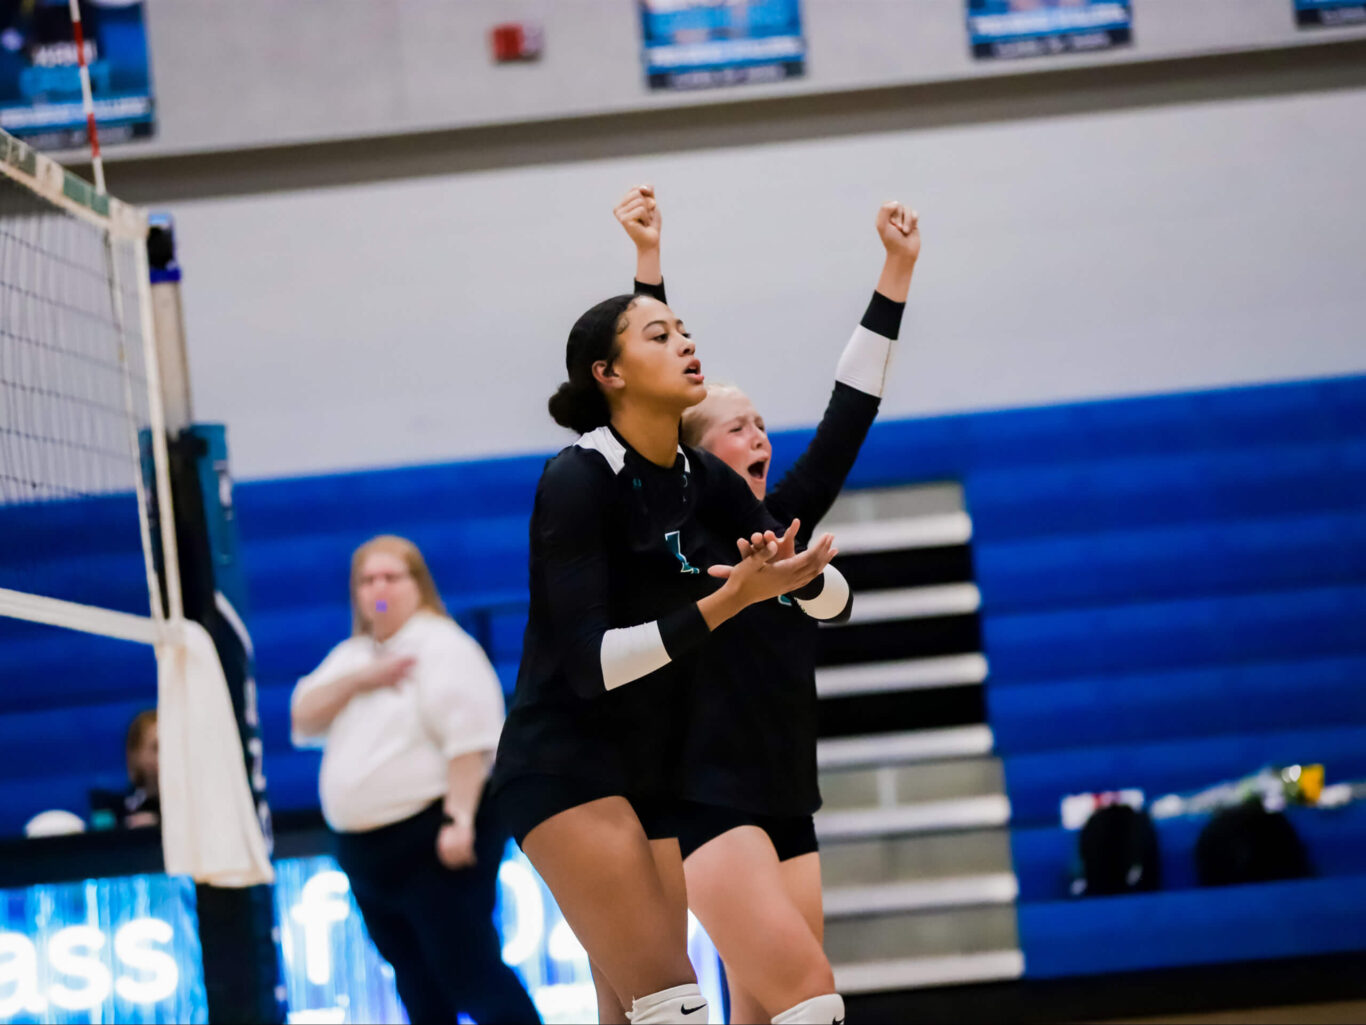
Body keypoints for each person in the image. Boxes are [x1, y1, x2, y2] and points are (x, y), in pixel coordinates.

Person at [487, 280, 850, 1025]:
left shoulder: (703, 477)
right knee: (674, 1006)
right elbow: (590, 664)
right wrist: (731, 599)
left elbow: (812, 584)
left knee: (630, 1009)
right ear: (607, 374)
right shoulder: (576, 477)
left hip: (651, 771)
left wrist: (806, 583)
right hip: (563, 763)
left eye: (685, 329)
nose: (686, 342)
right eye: (660, 335)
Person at [613, 184, 920, 1024]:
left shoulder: (781, 525)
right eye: (738, 427)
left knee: (767, 1010)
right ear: (698, 454)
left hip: (789, 791)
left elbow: (849, 413)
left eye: (759, 423)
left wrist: (895, 273)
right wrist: (649, 263)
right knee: (813, 999)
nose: (761, 437)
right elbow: (654, 393)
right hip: (706, 801)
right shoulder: (669, 537)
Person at [290, 535, 540, 1025]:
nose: (378, 588)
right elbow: (303, 719)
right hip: (366, 853)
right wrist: (363, 679)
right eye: (367, 579)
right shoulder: (354, 655)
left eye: (390, 577)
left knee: (470, 972)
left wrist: (458, 819)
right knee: (415, 980)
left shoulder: (443, 646)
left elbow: (471, 742)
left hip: (430, 842)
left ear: (417, 585)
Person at [90, 708, 161, 829]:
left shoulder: (192, 808)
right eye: (156, 748)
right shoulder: (115, 808)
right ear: (135, 754)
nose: (165, 756)